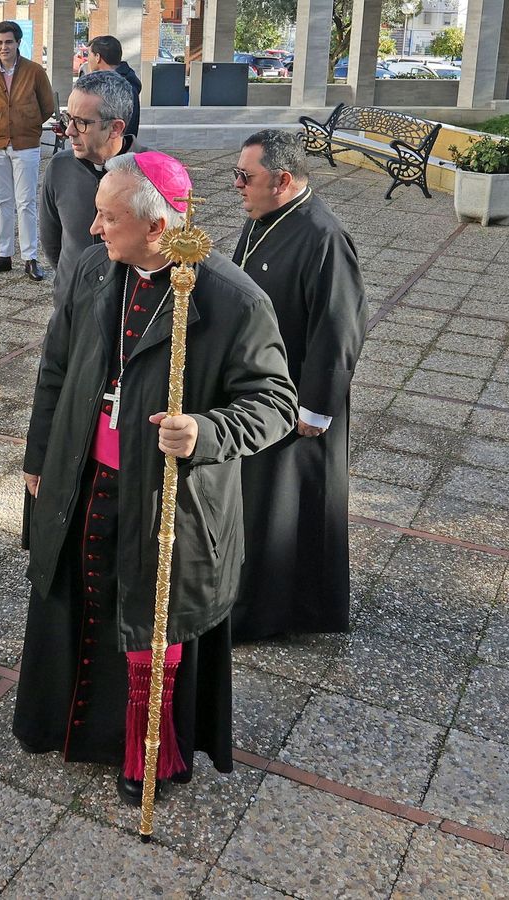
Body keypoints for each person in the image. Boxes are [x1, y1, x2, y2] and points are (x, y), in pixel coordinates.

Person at [13, 152, 296, 806]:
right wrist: (38, 457)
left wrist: (206, 431)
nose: (91, 228)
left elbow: (275, 403)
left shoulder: (230, 298)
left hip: (167, 500)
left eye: (108, 217)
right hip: (83, 482)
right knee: (78, 603)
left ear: (158, 228)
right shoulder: (92, 270)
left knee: (144, 622)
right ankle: (60, 724)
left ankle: (143, 750)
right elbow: (56, 367)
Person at [228, 129, 366, 642]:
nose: (237, 186)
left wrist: (316, 407)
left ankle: (278, 612)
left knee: (283, 510)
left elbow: (339, 326)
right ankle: (255, 600)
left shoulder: (323, 236)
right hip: (258, 389)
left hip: (296, 402)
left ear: (282, 180)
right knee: (259, 504)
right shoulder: (264, 218)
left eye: (246, 177)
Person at [39, 70, 147, 304]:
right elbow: (51, 240)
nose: (69, 131)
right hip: (72, 303)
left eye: (82, 123)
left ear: (116, 128)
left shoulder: (152, 173)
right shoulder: (60, 167)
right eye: (69, 119)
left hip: (129, 307)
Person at [0, 20, 55, 281]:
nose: (3, 47)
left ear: (18, 43)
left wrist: (27, 124)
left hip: (25, 144)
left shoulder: (34, 71)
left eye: (8, 42)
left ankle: (30, 258)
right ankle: (3, 254)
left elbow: (47, 107)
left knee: (26, 201)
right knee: (2, 200)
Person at [86, 36, 141, 138]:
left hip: (115, 149)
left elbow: (125, 129)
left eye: (88, 54)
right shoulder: (108, 83)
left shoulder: (123, 87)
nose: (87, 59)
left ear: (97, 57)